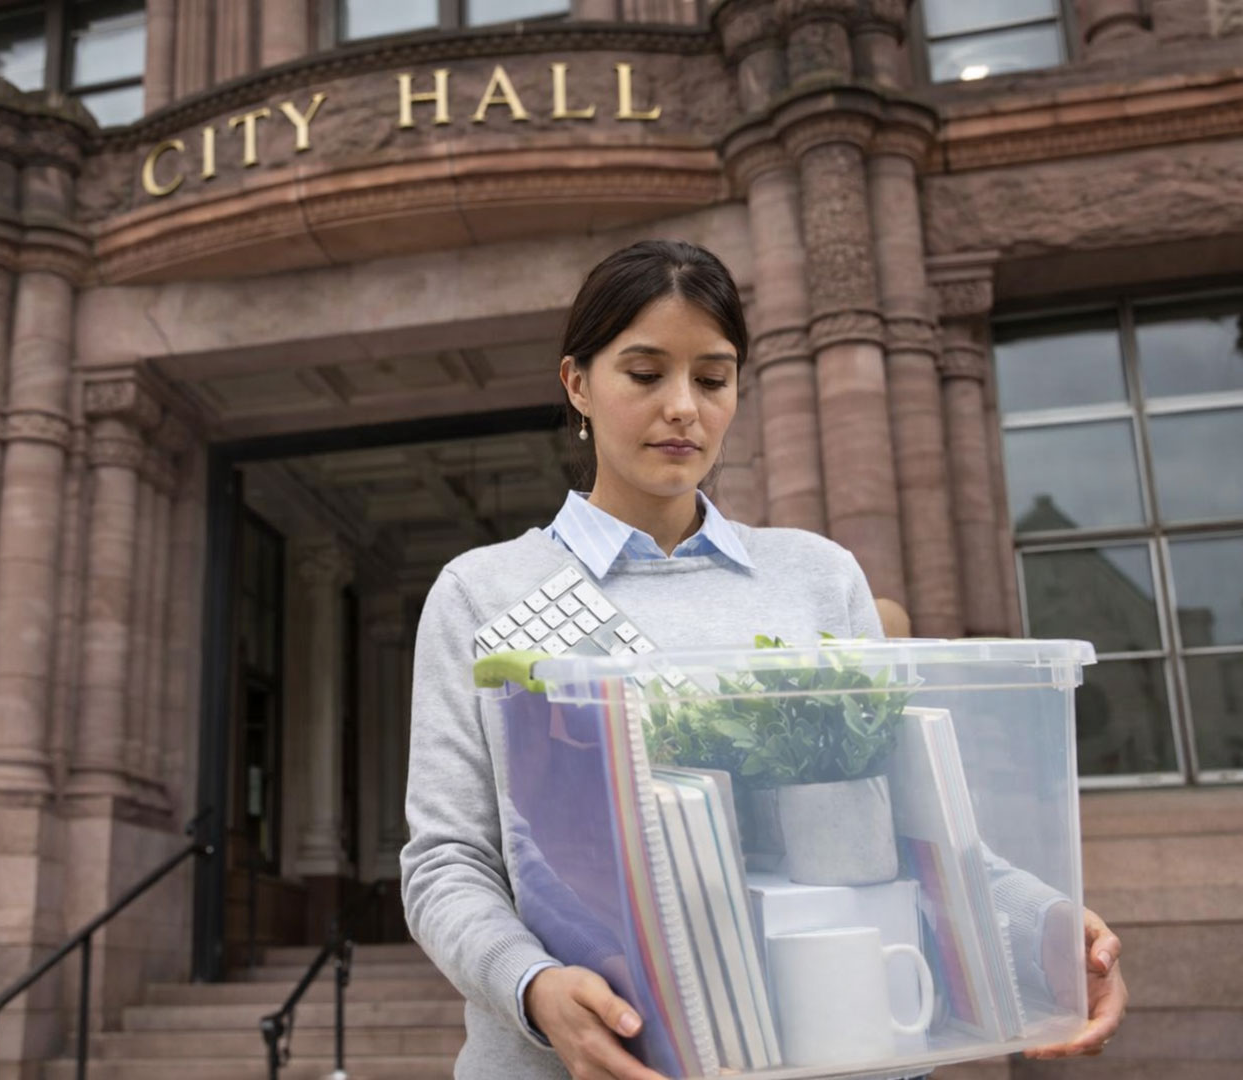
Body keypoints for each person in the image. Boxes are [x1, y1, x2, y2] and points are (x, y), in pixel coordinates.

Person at [400, 240, 1128, 1079]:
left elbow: (913, 830)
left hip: (829, 1047)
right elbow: (447, 860)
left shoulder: (818, 577)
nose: (684, 408)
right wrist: (531, 987)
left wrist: (1046, 927)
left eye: (712, 379)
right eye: (645, 374)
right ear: (577, 384)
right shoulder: (483, 593)